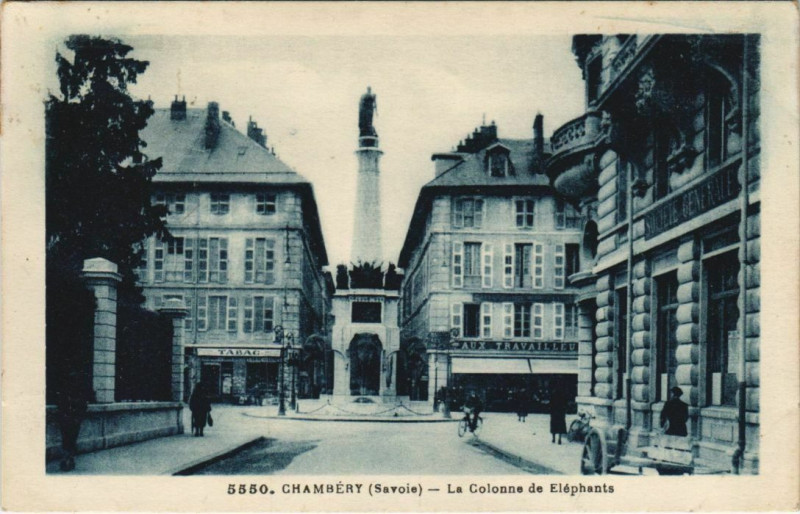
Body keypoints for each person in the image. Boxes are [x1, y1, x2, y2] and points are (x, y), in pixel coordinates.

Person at [56, 371, 89, 471]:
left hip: (69, 420)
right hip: (70, 420)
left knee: (68, 439)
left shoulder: (67, 393)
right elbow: (83, 407)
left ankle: (68, 459)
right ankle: (68, 459)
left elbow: (82, 407)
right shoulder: (76, 394)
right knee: (70, 440)